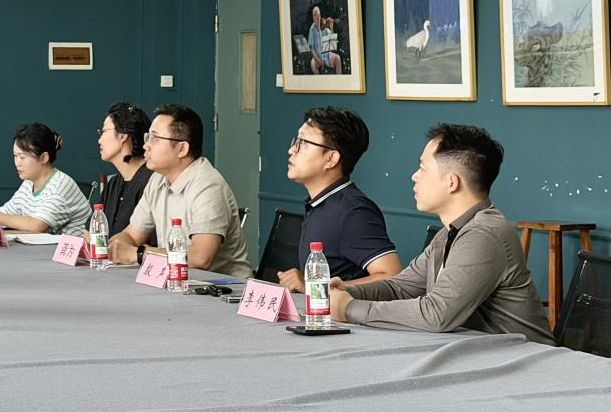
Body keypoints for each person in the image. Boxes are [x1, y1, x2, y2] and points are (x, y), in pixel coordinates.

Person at [329, 124, 553, 345]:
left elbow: (436, 314)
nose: (414, 176)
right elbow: (400, 288)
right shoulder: (451, 233)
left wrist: (349, 307)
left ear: (451, 182)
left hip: (530, 359)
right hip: (487, 354)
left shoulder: (483, 234)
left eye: (423, 168)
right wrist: (346, 291)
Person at [108, 104, 251, 278]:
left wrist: (137, 254)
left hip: (223, 288)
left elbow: (200, 258)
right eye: (147, 137)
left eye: (155, 138)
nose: (146, 146)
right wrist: (116, 247)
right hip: (178, 283)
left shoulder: (208, 186)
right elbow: (131, 235)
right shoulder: (157, 179)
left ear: (182, 149)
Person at [276, 107, 400, 294]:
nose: (292, 150)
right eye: (296, 141)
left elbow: (393, 277)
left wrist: (316, 286)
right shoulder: (320, 202)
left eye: (303, 143)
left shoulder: (354, 211)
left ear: (331, 159)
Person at [0, 123, 91, 236]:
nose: (17, 163)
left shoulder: (61, 185)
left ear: (43, 158)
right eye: (15, 156)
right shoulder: (29, 182)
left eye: (22, 157)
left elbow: (36, 226)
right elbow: (4, 214)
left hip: (78, 248)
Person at [97, 102, 153, 235]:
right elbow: (90, 231)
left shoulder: (151, 182)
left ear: (122, 136)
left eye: (103, 132)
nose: (99, 140)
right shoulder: (113, 183)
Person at [308, 5, 342, 74]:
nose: (317, 18)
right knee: (312, 64)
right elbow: (311, 48)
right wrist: (318, 60)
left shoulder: (326, 29)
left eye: (318, 15)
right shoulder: (312, 29)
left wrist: (331, 28)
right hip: (318, 56)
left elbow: (333, 44)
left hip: (328, 56)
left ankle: (339, 79)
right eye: (315, 15)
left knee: (338, 58)